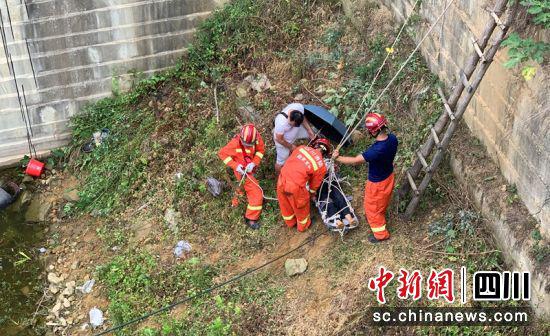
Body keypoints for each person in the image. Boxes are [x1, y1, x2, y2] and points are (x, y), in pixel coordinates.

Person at [333, 113, 398, 243]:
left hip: (377, 183)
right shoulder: (392, 139)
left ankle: (381, 235)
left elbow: (355, 161)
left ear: (373, 131)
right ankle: (380, 215)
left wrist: (337, 158)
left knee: (372, 209)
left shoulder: (376, 150)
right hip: (389, 176)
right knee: (381, 202)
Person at [218, 124, 265, 229]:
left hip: (249, 168)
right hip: (241, 171)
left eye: (250, 144)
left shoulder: (257, 138)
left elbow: (261, 151)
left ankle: (235, 204)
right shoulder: (235, 143)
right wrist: (236, 166)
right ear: (241, 137)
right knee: (257, 194)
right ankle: (251, 218)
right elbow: (222, 154)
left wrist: (254, 163)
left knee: (242, 189)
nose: (247, 146)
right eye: (245, 144)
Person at [276, 139, 327, 232]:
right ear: (324, 153)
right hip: (295, 186)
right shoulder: (321, 165)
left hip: (282, 178)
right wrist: (311, 194)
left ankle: (290, 223)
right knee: (301, 205)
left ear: (314, 145)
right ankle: (304, 226)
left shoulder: (302, 148)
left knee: (285, 203)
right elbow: (314, 186)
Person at [314, 138, 357, 230]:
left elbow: (334, 169)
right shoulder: (317, 160)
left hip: (327, 181)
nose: (320, 150)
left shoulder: (326, 160)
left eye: (321, 149)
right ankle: (340, 219)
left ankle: (345, 218)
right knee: (329, 198)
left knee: (335, 196)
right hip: (321, 184)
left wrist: (333, 160)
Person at [273, 103, 316, 173]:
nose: (294, 126)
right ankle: (281, 176)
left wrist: (309, 130)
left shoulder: (298, 107)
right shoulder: (281, 122)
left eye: (297, 125)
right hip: (283, 140)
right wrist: (291, 146)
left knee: (311, 134)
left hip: (295, 133)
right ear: (290, 119)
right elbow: (279, 139)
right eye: (293, 125)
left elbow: (303, 118)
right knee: (281, 161)